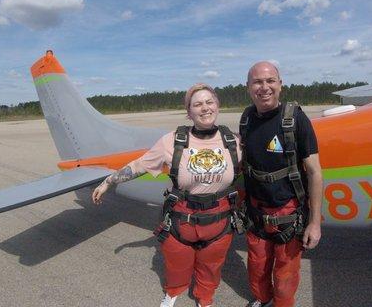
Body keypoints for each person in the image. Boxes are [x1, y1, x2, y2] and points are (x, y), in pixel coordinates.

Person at [92, 84, 242, 307]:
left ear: (217, 106)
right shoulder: (172, 141)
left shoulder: (236, 141)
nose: (205, 108)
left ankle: (205, 298)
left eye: (209, 102)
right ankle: (173, 292)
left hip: (219, 221)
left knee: (211, 266)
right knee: (177, 263)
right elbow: (140, 165)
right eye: (198, 104)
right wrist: (107, 182)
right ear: (189, 112)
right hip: (182, 220)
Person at [240, 61, 323, 307]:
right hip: (256, 215)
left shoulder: (295, 119)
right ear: (248, 87)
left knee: (285, 277)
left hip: (288, 213)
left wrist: (314, 223)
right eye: (257, 82)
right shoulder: (246, 119)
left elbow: (315, 172)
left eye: (270, 81)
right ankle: (263, 299)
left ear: (280, 85)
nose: (264, 87)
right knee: (256, 270)